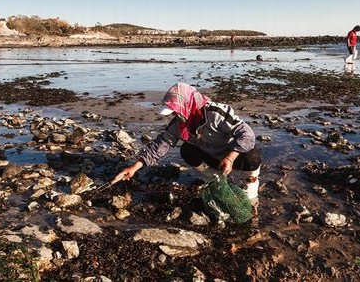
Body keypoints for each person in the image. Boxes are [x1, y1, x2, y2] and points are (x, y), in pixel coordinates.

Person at [112, 82, 262, 214]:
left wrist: (230, 157)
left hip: (233, 154)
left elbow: (247, 134)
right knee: (187, 150)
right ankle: (215, 180)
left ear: (186, 104)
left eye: (176, 112)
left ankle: (251, 186)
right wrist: (134, 168)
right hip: (212, 158)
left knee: (252, 158)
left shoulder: (216, 113)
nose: (176, 116)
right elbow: (159, 146)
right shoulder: (179, 124)